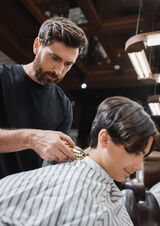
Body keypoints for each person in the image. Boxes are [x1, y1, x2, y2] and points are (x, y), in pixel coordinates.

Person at [0, 96, 158, 226]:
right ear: (104, 138)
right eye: (135, 153)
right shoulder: (91, 206)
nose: (138, 166)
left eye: (143, 157)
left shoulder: (95, 187)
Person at [0, 16, 88, 179]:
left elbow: (59, 164)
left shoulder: (64, 106)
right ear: (37, 46)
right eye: (55, 58)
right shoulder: (2, 77)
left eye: (68, 64)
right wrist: (32, 138)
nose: (59, 71)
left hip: (19, 196)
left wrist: (84, 159)